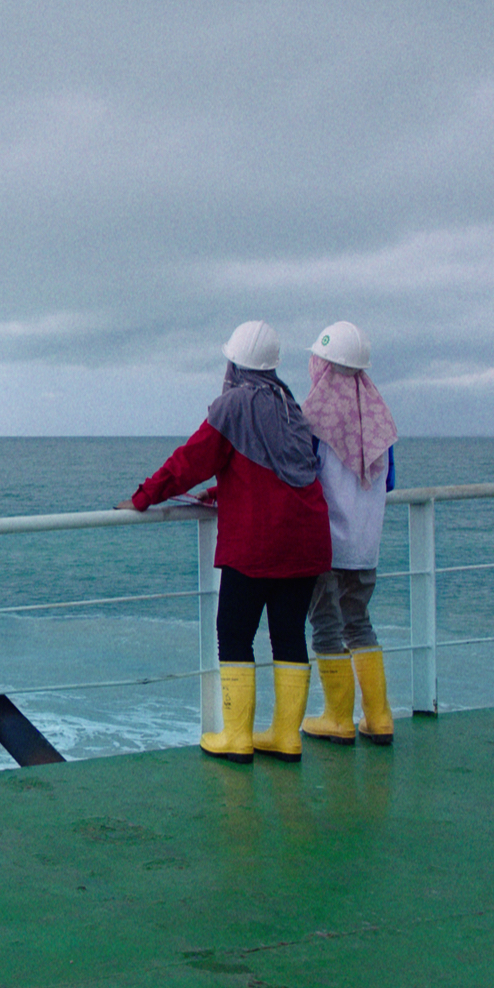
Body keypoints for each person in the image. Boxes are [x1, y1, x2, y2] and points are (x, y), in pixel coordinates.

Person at [118, 320, 332, 764]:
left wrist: (143, 497)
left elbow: (191, 460)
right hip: (308, 535)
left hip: (259, 538)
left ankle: (236, 737)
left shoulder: (233, 404)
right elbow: (281, 469)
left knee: (233, 632)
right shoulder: (289, 404)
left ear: (233, 361)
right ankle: (285, 737)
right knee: (289, 633)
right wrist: (223, 490)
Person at [297, 321, 399, 747]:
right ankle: (379, 717)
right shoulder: (379, 420)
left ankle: (337, 717)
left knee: (325, 624)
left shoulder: (314, 420)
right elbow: (389, 480)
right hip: (366, 545)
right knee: (359, 623)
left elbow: (301, 473)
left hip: (327, 544)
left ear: (323, 364)